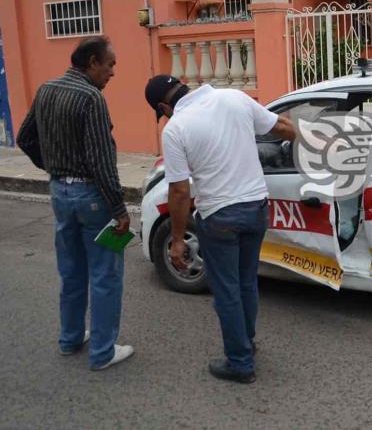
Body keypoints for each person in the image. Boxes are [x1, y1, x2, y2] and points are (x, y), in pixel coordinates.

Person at [144, 75, 295, 384]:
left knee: (227, 291)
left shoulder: (175, 128)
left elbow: (179, 192)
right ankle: (246, 343)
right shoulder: (233, 98)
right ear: (184, 85)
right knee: (246, 283)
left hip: (220, 216)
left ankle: (240, 363)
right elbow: (282, 127)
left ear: (164, 106)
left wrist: (176, 240)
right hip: (256, 209)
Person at [16, 36, 134, 370]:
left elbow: (25, 137)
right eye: (110, 65)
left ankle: (70, 339)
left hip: (60, 194)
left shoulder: (46, 89)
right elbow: (100, 161)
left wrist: (53, 166)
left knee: (70, 271)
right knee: (105, 275)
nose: (112, 72)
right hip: (91, 197)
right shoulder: (90, 98)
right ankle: (102, 352)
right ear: (93, 62)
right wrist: (119, 209)